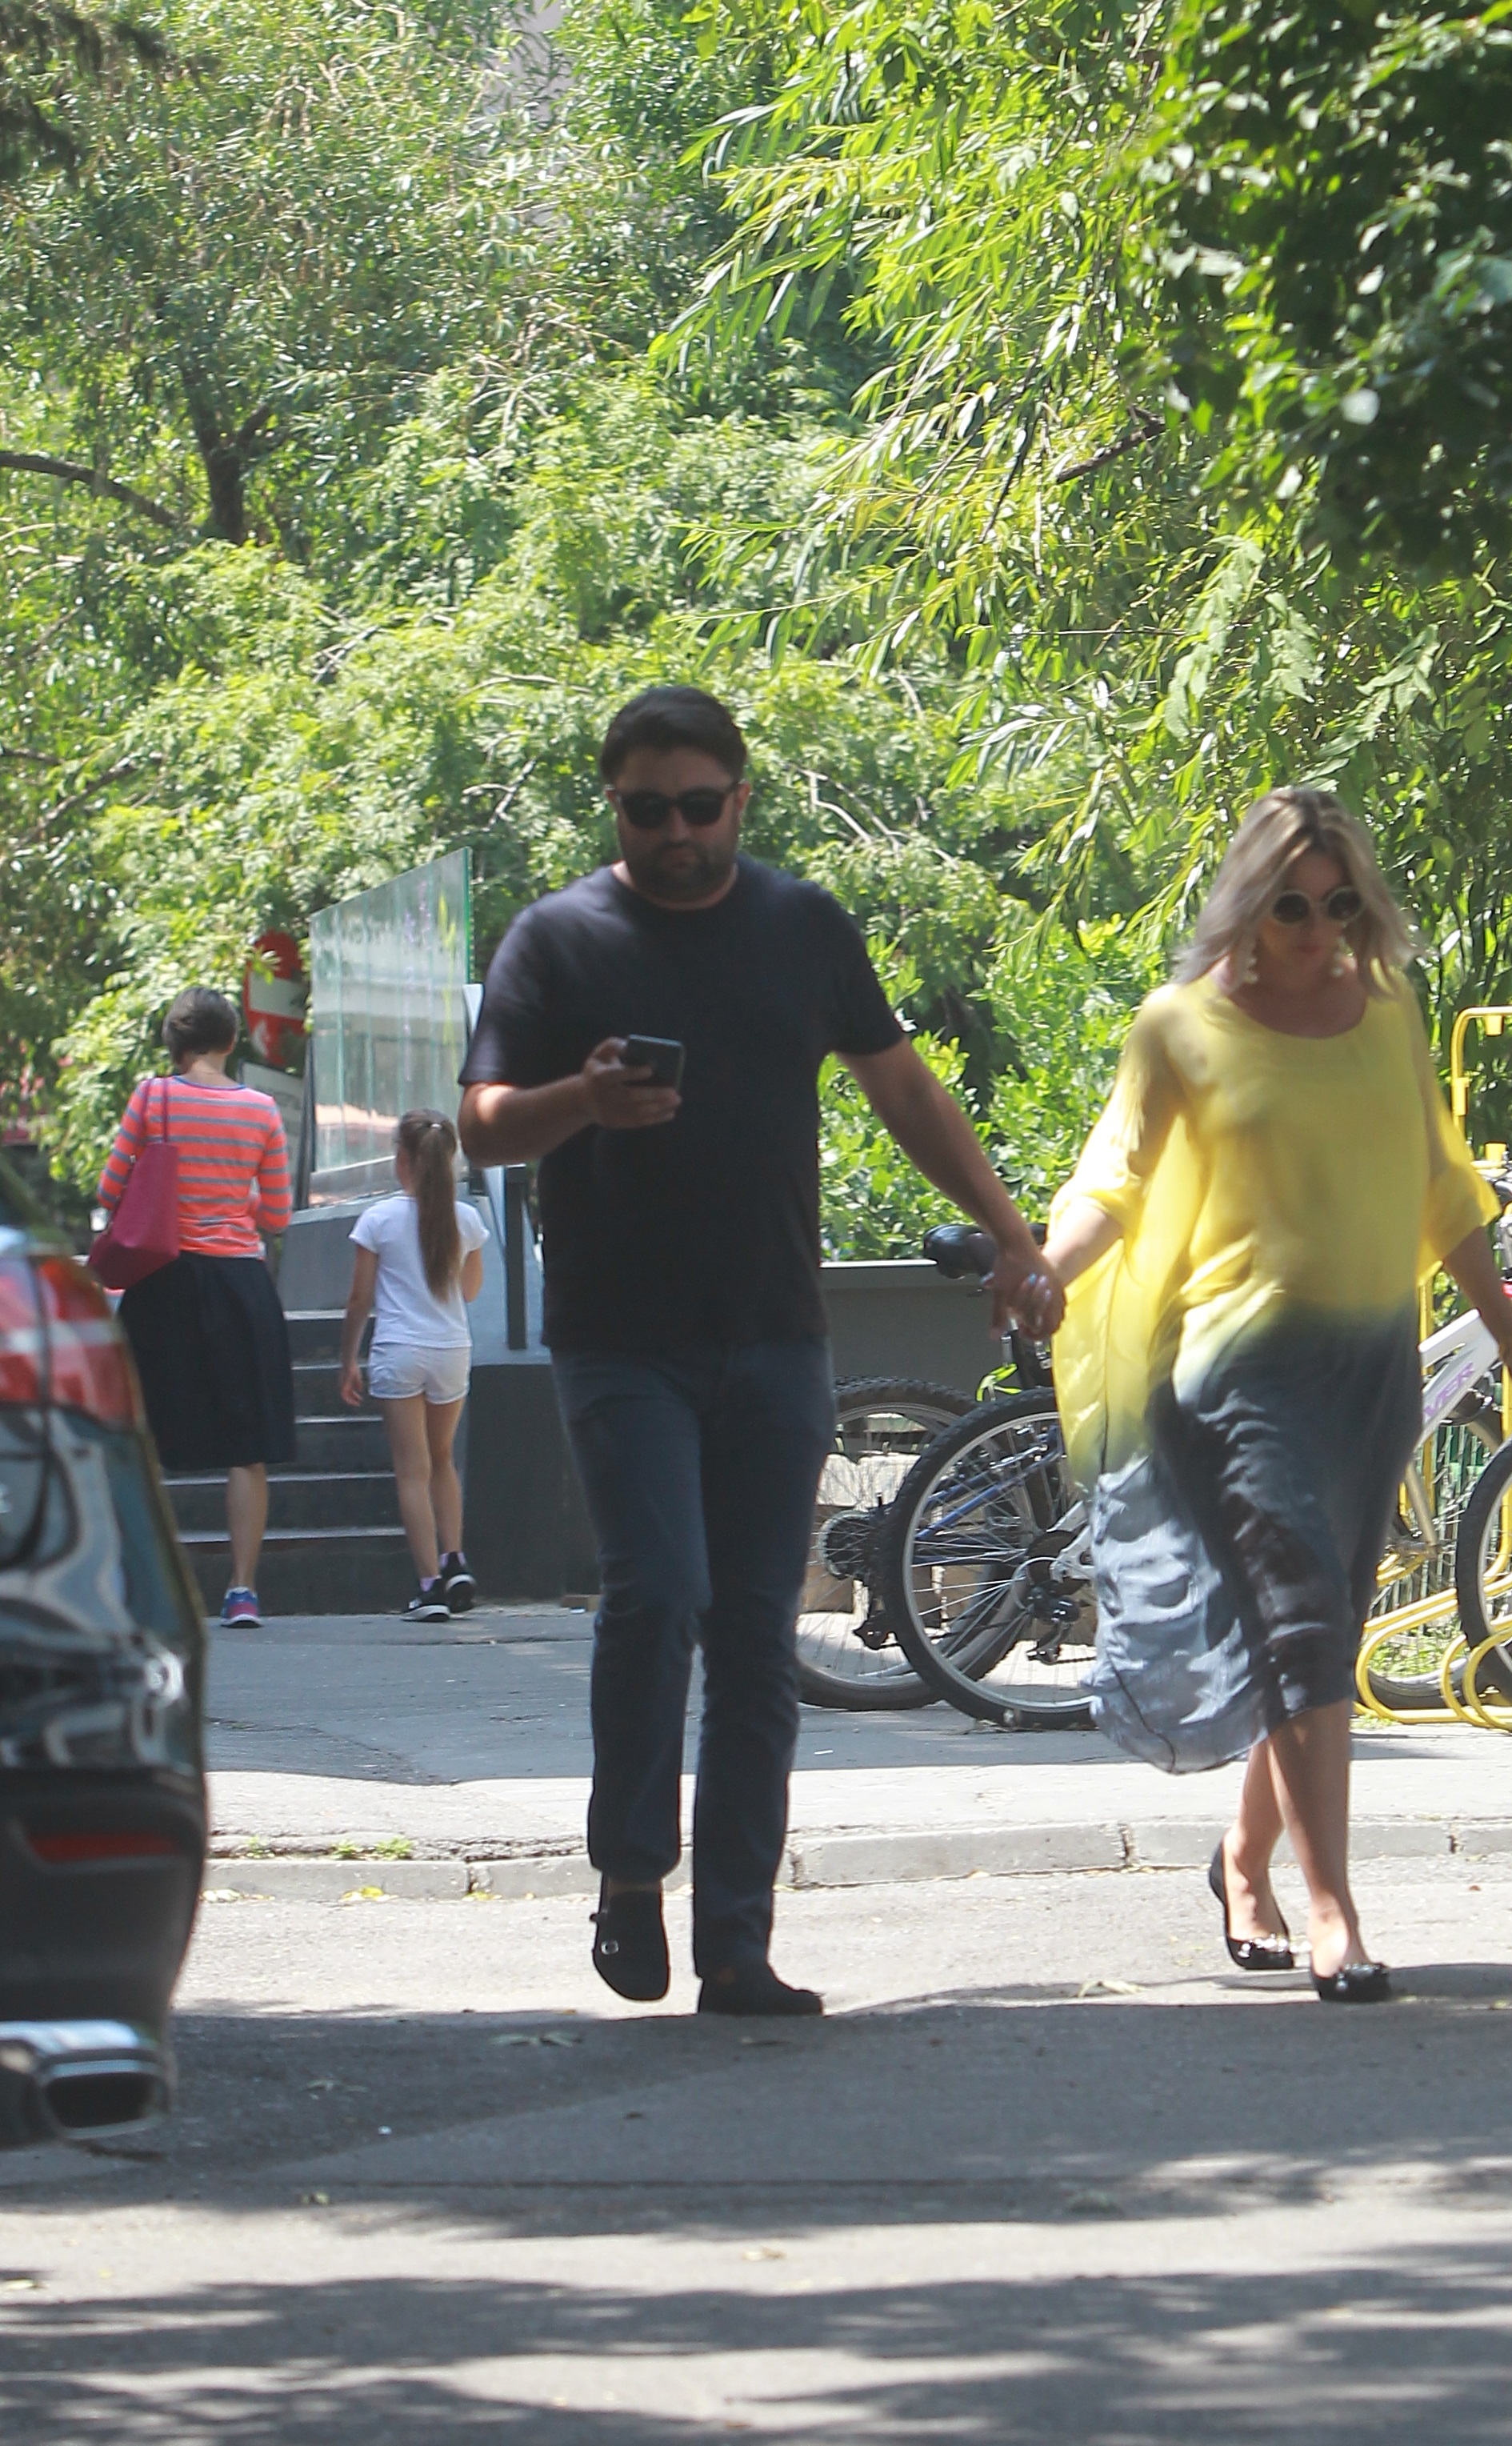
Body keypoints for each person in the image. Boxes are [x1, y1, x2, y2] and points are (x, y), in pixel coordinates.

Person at [457, 684, 1062, 2019]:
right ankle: (630, 1871)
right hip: (621, 1341)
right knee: (656, 1592)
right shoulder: (556, 940)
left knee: (752, 1631)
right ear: (613, 807)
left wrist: (1014, 1237)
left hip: (775, 1335)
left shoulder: (801, 926)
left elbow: (903, 1087)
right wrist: (582, 1100)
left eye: (697, 805)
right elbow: (483, 1124)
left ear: (739, 798)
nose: (674, 832)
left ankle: (735, 1942)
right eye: (645, 810)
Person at [1039, 787, 1512, 2003]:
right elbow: (1113, 1184)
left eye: (1340, 906)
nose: (1317, 930)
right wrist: (1044, 1272)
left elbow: (1442, 1191)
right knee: (1299, 1623)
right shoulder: (1179, 1028)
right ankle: (1335, 1912)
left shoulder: (1386, 1013)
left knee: (1318, 1628)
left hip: (1367, 1373)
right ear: (1247, 903)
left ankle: (1242, 1859)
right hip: (1232, 1374)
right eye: (1290, 906)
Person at [98, 986, 295, 1628]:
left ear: (175, 1042)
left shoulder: (152, 1097)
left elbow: (109, 1187)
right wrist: (232, 1195)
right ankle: (242, 1590)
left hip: (163, 1280)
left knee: (142, 1435)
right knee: (247, 1446)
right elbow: (277, 1215)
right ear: (231, 1040)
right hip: (239, 1284)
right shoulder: (262, 1110)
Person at [338, 1111, 489, 1622]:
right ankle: (455, 1559)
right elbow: (470, 1291)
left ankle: (429, 1586)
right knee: (443, 1459)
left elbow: (359, 1299)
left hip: (399, 1350)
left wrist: (347, 1358)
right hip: (451, 1350)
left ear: (402, 1160)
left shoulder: (378, 1220)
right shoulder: (466, 1220)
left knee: (411, 1470)